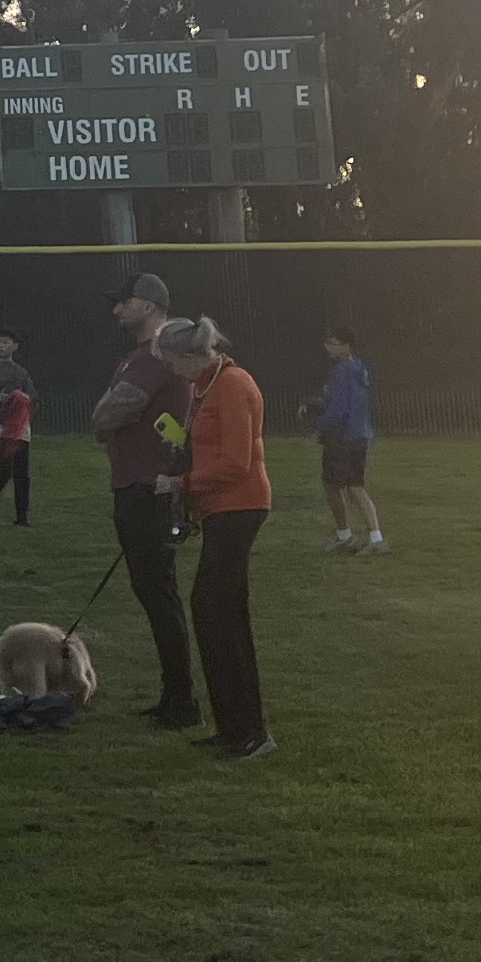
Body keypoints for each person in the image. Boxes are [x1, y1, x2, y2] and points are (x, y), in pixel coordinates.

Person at [155, 317, 274, 759]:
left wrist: (182, 483)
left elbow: (236, 463)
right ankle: (236, 728)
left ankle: (250, 731)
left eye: (172, 363)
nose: (172, 371)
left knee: (217, 612)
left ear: (190, 356)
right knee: (215, 613)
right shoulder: (206, 386)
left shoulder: (233, 385)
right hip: (220, 509)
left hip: (240, 508)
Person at [85, 276, 196, 729]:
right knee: (153, 592)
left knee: (159, 593)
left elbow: (111, 412)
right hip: (138, 486)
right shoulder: (143, 355)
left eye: (123, 302)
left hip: (148, 489)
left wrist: (101, 419)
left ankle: (183, 702)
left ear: (149, 306)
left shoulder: (155, 355)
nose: (116, 312)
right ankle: (175, 697)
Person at [302, 327, 385, 554]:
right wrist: (316, 403)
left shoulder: (342, 370)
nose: (329, 347)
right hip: (359, 434)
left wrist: (317, 428)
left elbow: (338, 409)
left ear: (347, 346)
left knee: (332, 484)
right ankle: (376, 538)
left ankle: (345, 536)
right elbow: (346, 402)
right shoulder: (359, 368)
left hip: (343, 437)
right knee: (356, 486)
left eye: (334, 343)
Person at [0, 329, 38, 526]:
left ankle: (22, 518)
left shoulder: (22, 372)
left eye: (5, 342)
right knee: (5, 469)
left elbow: (31, 397)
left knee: (22, 471)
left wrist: (18, 401)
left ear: (14, 346)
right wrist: (1, 403)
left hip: (19, 424)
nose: (0, 346)